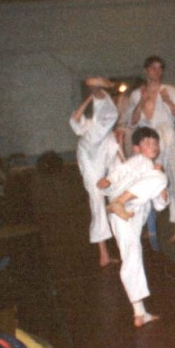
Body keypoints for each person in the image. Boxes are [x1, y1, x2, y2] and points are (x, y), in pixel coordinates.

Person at [100, 127, 169, 327]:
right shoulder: (138, 160)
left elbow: (160, 205)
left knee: (132, 256)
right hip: (121, 209)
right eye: (147, 143)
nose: (153, 146)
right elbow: (119, 172)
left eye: (155, 143)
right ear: (137, 148)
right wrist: (108, 180)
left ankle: (139, 312)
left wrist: (161, 184)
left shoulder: (155, 170)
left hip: (130, 214)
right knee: (131, 254)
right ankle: (119, 202)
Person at [122, 55, 175, 243]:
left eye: (160, 68)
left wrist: (168, 101)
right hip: (148, 141)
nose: (157, 71)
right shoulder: (137, 94)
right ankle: (149, 223)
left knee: (174, 180)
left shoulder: (170, 91)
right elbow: (132, 121)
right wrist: (141, 102)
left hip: (168, 138)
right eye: (153, 68)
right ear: (146, 70)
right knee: (147, 181)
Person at [69, 77, 121, 268]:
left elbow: (116, 152)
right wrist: (90, 97)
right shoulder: (87, 123)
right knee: (97, 200)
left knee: (113, 195)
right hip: (89, 153)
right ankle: (103, 254)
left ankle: (108, 252)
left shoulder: (104, 128)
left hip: (101, 154)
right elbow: (75, 120)